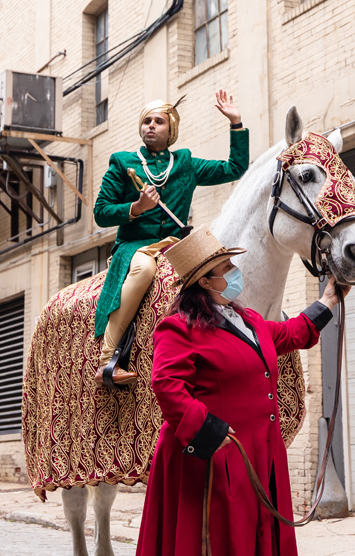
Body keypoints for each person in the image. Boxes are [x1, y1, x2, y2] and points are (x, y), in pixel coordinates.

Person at [123, 226, 349, 556]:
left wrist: (329, 299)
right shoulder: (179, 328)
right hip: (216, 461)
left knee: (256, 548)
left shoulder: (248, 320)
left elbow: (290, 334)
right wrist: (209, 433)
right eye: (226, 267)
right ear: (204, 281)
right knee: (220, 553)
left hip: (260, 458)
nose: (235, 271)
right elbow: (166, 385)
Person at [92, 92, 249, 386]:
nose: (151, 126)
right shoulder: (122, 162)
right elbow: (101, 213)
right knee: (144, 270)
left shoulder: (185, 163)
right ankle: (107, 361)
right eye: (146, 121)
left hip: (177, 244)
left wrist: (236, 123)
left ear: (171, 130)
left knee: (224, 272)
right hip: (136, 245)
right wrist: (136, 208)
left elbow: (234, 168)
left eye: (159, 121)